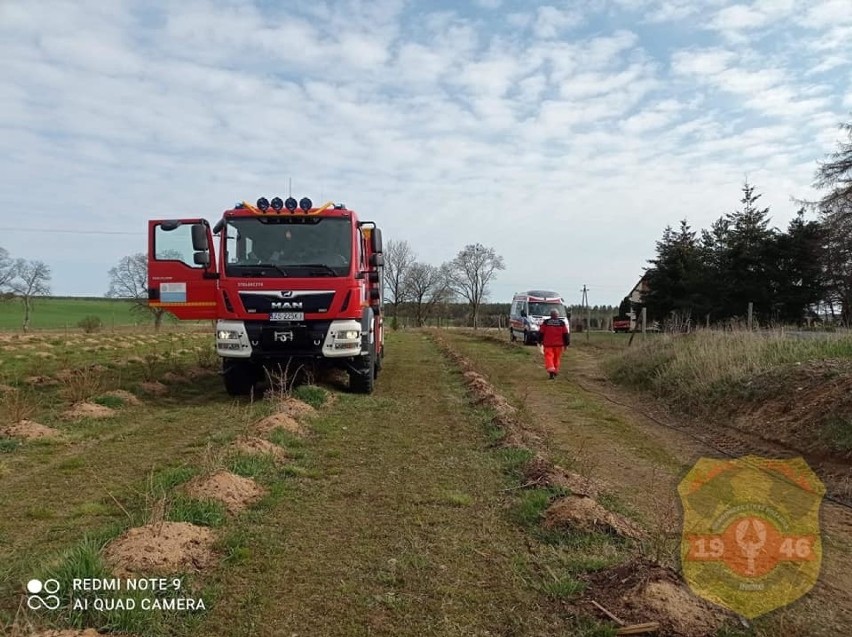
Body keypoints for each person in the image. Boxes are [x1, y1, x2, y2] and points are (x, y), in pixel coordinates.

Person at [537, 309, 569, 379]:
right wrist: (566, 344)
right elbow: (565, 334)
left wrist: (539, 341)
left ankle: (551, 370)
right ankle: (555, 371)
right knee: (557, 358)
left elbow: (541, 333)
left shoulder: (546, 322)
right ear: (557, 315)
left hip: (548, 344)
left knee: (549, 357)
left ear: (550, 315)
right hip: (559, 345)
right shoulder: (562, 323)